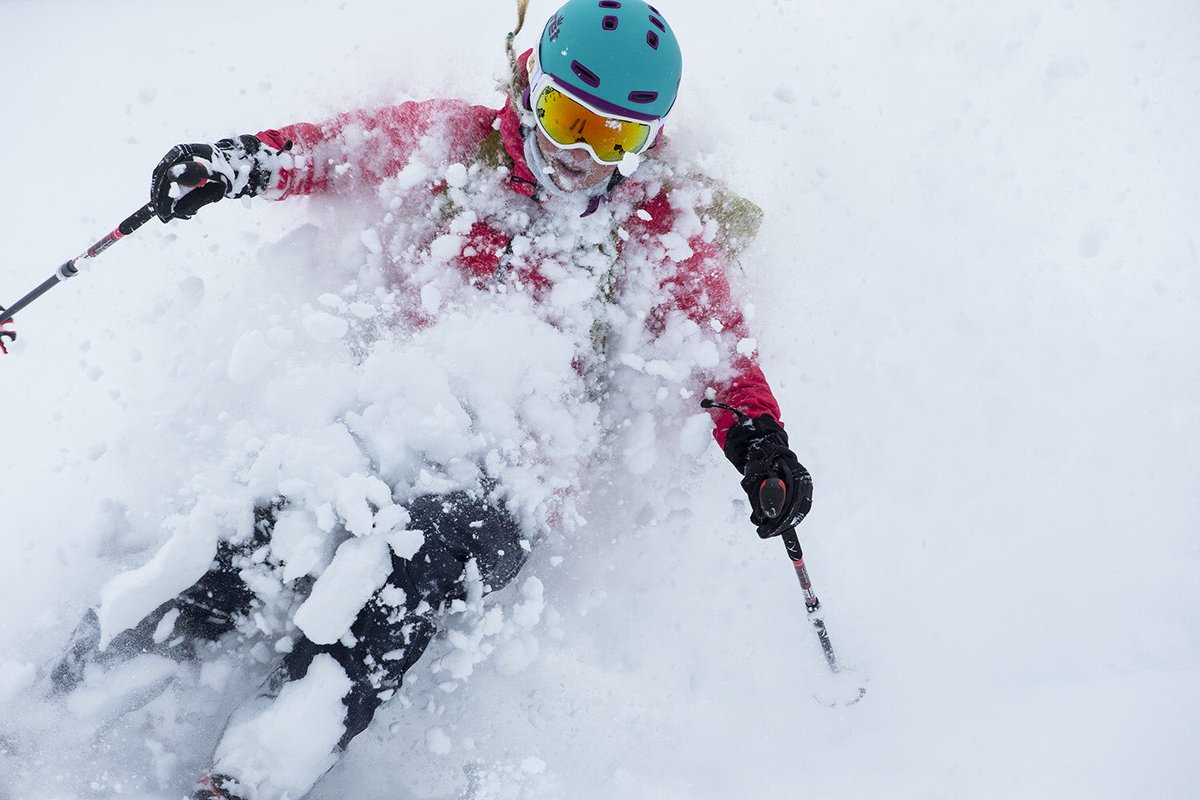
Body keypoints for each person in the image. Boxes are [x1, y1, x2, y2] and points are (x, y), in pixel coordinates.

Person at [50, 2, 812, 798]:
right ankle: (54, 702)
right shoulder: (456, 143)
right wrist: (236, 164)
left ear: (646, 144)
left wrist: (762, 446)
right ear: (531, 89)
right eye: (568, 119)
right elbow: (334, 151)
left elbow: (718, 353)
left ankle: (259, 769)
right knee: (266, 522)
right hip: (389, 423)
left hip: (513, 481)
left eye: (615, 139)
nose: (581, 157)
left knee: (411, 557)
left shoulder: (655, 225)